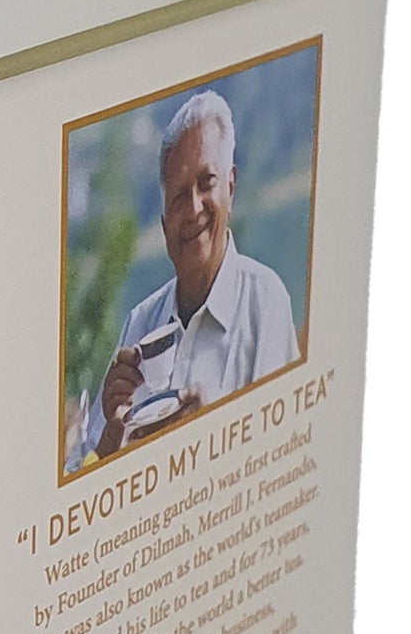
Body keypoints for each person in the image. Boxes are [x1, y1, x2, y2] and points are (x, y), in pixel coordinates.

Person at [95, 90, 299, 455]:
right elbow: (87, 467)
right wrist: (111, 434)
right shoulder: (139, 323)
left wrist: (212, 428)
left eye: (206, 183)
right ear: (163, 225)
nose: (192, 209)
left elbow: (280, 454)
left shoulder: (265, 300)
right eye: (177, 197)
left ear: (230, 187)